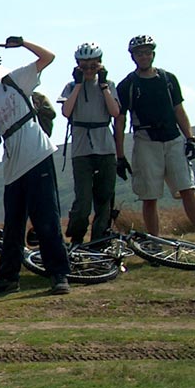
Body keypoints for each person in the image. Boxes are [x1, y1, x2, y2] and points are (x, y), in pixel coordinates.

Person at [0, 37, 72, 296]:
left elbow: (48, 57)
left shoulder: (14, 81)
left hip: (36, 153)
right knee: (12, 226)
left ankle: (58, 275)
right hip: (13, 165)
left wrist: (24, 43)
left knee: (46, 218)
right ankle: (8, 279)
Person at [114, 34, 195, 245]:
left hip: (173, 137)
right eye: (140, 53)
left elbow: (179, 110)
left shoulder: (168, 79)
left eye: (147, 52)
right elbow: (120, 121)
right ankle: (154, 242)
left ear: (153, 54)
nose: (144, 56)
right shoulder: (127, 85)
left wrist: (190, 138)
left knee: (187, 188)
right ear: (133, 57)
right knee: (149, 196)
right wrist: (119, 156)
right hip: (146, 140)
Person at [59, 42, 122, 244]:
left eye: (92, 66)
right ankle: (76, 237)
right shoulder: (70, 87)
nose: (88, 70)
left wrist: (103, 85)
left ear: (100, 65)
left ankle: (99, 239)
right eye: (83, 66)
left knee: (104, 198)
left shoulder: (109, 85)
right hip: (81, 150)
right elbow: (66, 112)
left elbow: (115, 112)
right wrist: (78, 84)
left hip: (105, 147)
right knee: (83, 199)